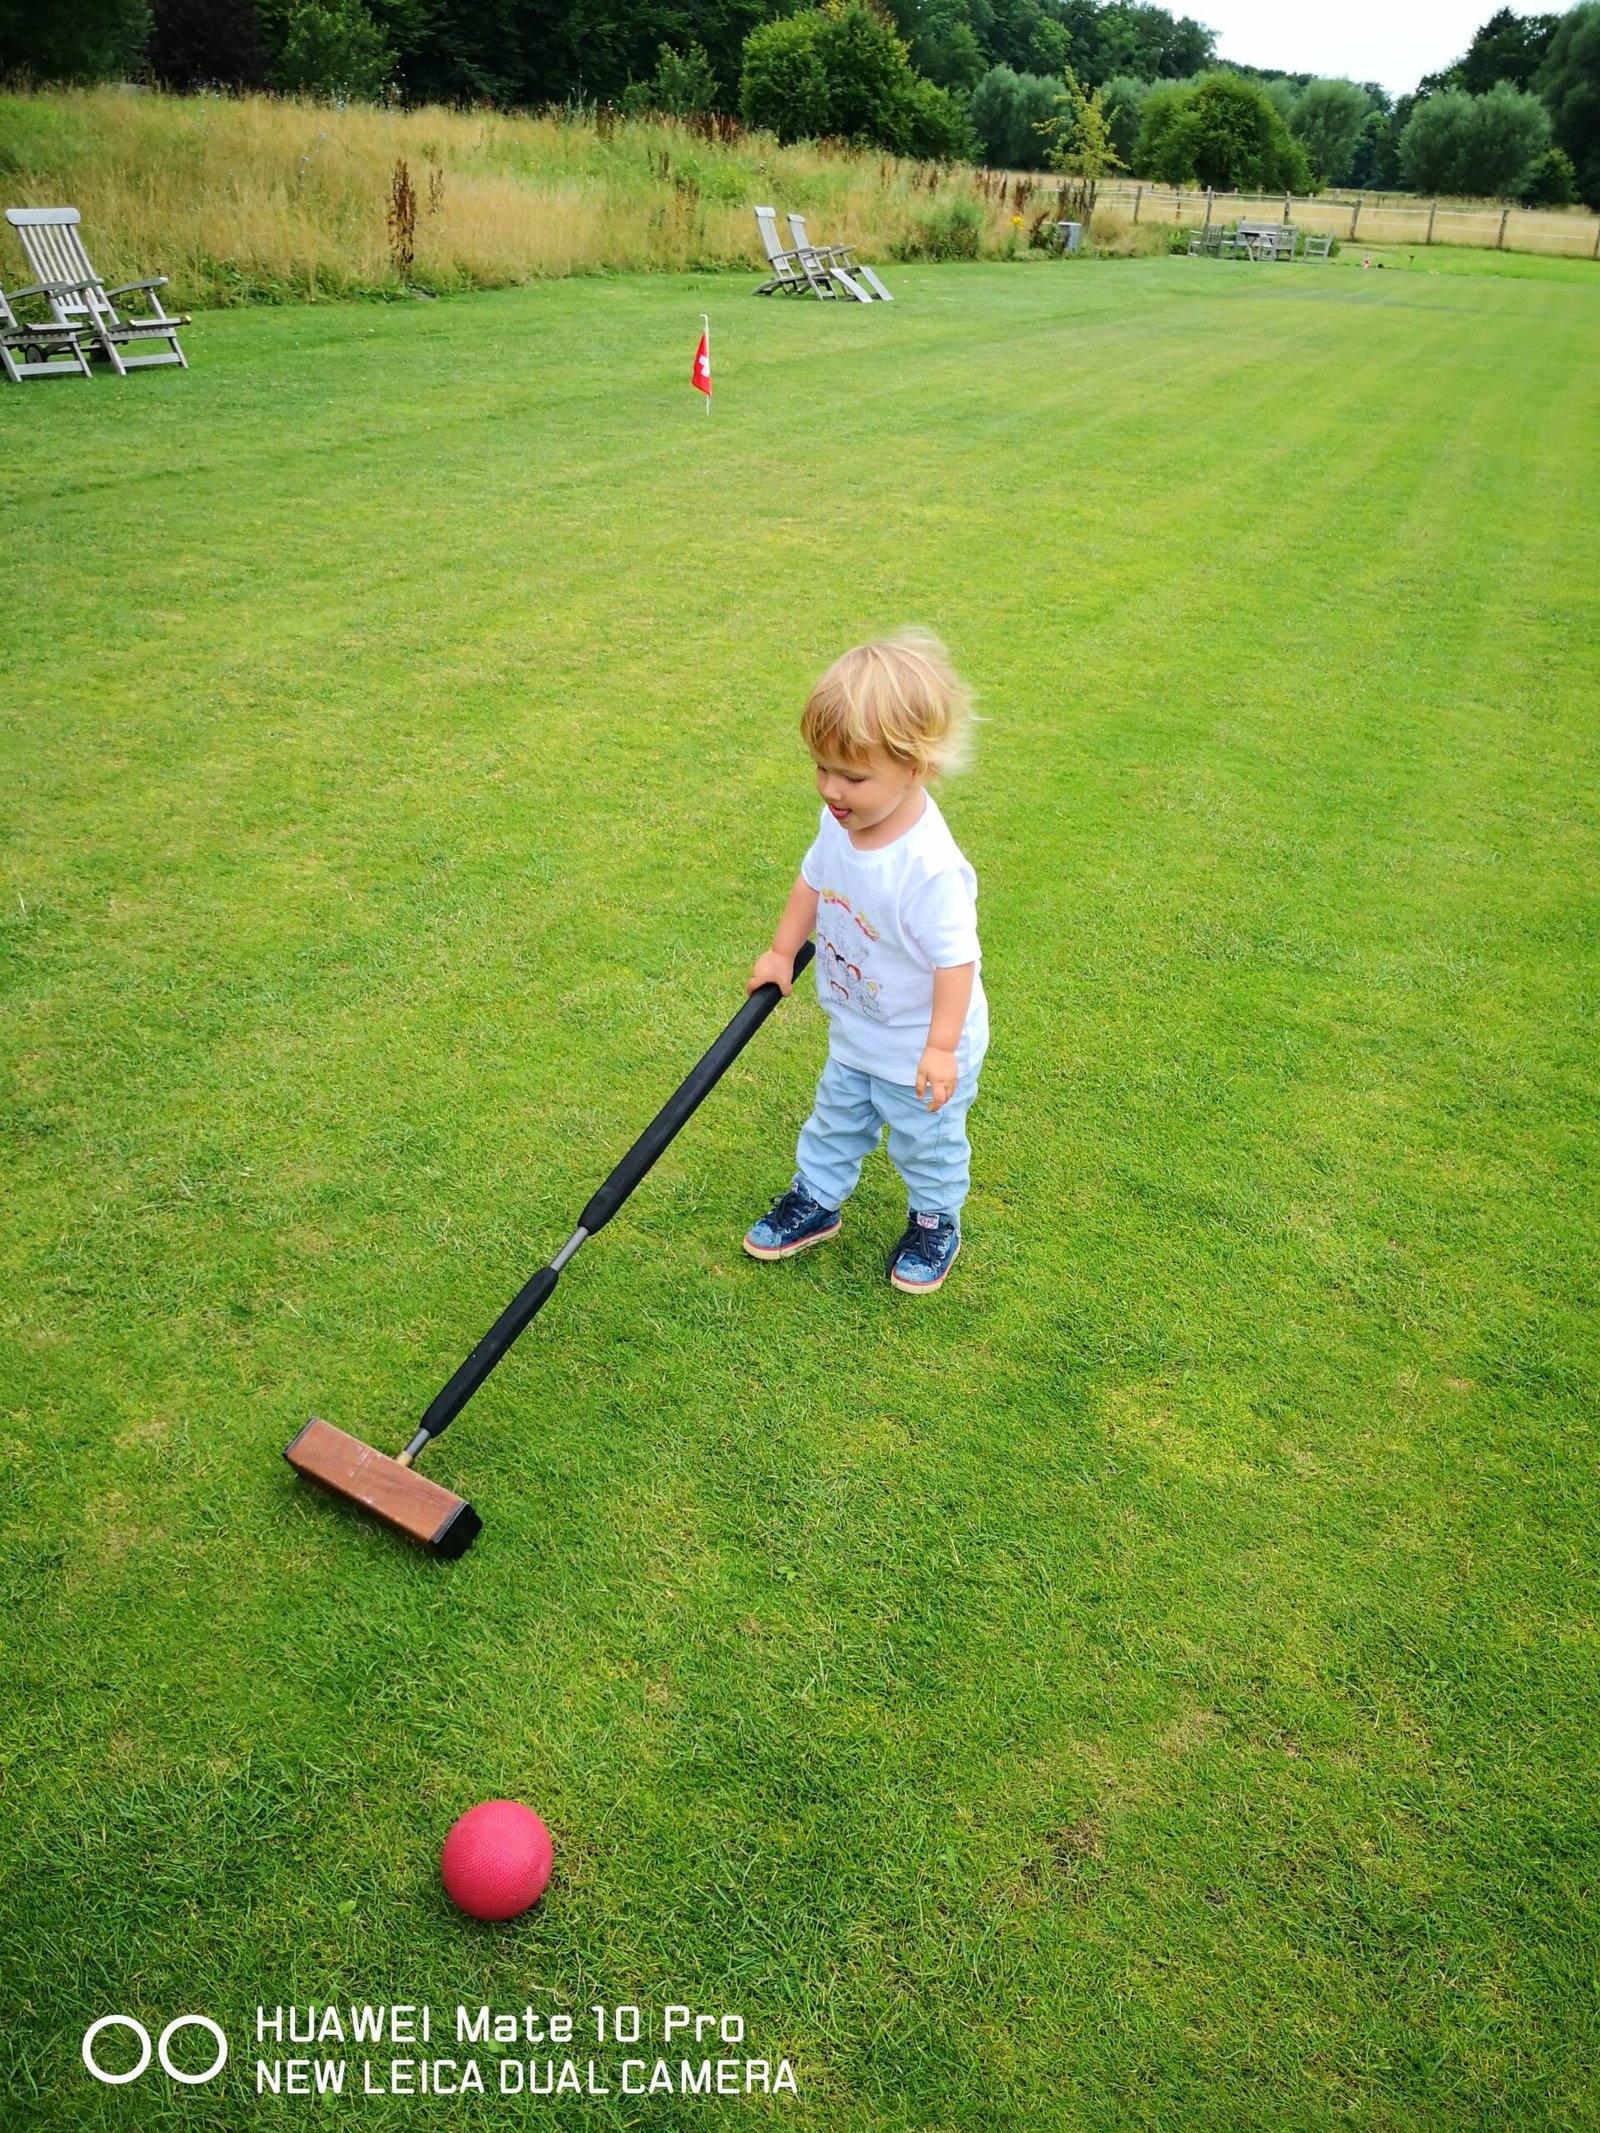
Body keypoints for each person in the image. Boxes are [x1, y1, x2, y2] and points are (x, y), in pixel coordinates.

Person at [742, 631, 988, 1293]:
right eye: (822, 768)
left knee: (923, 1141)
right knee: (836, 1118)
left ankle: (936, 1220)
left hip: (920, 1043)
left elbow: (956, 962)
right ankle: (816, 1200)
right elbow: (811, 883)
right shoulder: (839, 823)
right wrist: (779, 952)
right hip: (858, 1026)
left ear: (917, 768)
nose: (831, 788)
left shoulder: (927, 866)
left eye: (852, 775)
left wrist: (940, 1048)